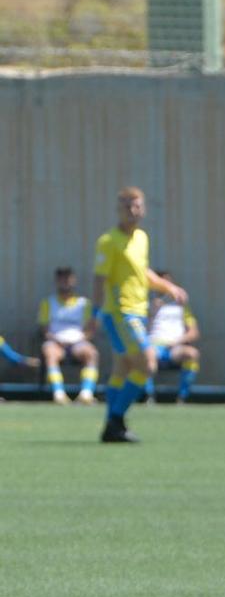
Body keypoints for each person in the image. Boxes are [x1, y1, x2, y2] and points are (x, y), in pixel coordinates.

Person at [93, 187, 186, 444]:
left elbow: (142, 272)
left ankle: (113, 425)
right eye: (127, 206)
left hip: (137, 312)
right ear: (119, 209)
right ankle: (115, 421)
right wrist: (94, 313)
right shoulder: (109, 241)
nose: (133, 211)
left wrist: (169, 287)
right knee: (148, 363)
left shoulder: (142, 238)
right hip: (120, 313)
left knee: (123, 368)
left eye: (137, 206)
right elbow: (100, 278)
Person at [38, 267, 100, 405]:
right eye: (61, 279)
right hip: (56, 342)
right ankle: (59, 394)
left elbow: (91, 328)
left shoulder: (84, 303)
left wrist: (83, 338)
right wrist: (55, 339)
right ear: (56, 281)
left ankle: (86, 394)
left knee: (91, 353)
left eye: (67, 279)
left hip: (78, 342)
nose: (65, 282)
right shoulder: (48, 303)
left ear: (74, 281)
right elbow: (44, 328)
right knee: (50, 352)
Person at [143, 272, 201, 404]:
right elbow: (139, 332)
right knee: (146, 354)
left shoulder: (182, 308)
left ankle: (183, 397)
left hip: (175, 348)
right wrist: (152, 312)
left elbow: (194, 332)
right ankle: (148, 395)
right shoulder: (146, 306)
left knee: (192, 354)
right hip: (154, 346)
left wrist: (177, 341)